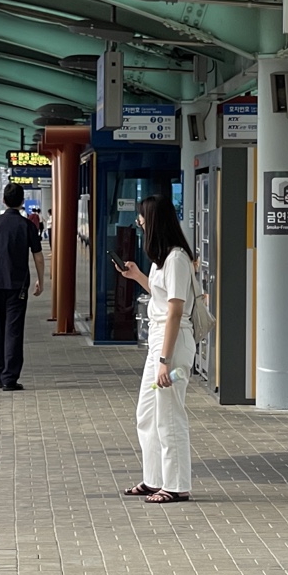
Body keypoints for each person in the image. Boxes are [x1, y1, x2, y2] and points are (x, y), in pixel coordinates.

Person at [115, 195, 196, 504]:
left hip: (172, 347)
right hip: (159, 343)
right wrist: (138, 277)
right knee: (147, 414)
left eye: (142, 217)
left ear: (153, 221)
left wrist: (164, 360)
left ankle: (176, 485)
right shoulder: (162, 258)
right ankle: (154, 479)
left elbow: (176, 311)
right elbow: (163, 297)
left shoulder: (177, 258)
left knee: (169, 414)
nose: (139, 222)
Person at [0, 183, 45, 391]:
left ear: (4, 201)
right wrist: (41, 280)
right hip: (18, 287)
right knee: (13, 330)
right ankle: (9, 378)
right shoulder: (27, 226)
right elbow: (38, 257)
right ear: (22, 201)